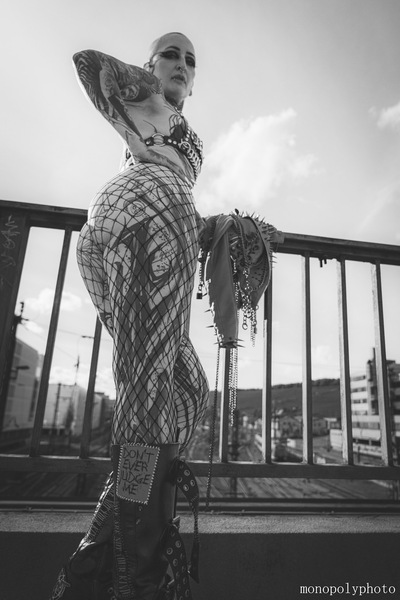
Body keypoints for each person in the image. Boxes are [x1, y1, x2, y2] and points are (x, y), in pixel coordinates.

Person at [50, 32, 209, 600]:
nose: (182, 64)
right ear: (150, 64)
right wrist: (143, 89)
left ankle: (92, 563)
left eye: (190, 60)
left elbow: (175, 173)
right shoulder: (149, 101)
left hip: (146, 221)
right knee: (146, 401)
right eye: (171, 54)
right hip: (146, 215)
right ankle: (135, 581)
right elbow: (88, 64)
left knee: (186, 387)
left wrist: (213, 228)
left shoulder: (177, 125)